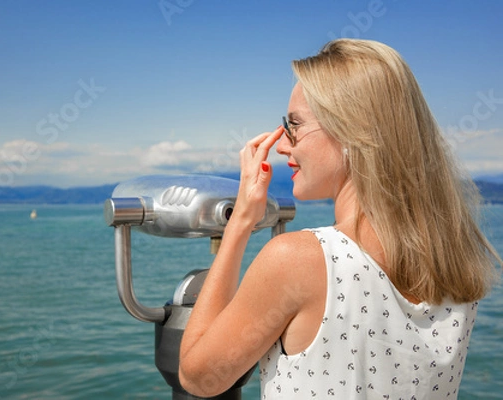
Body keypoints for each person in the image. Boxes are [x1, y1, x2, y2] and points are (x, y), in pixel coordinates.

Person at [178, 38, 501, 399]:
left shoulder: (298, 261)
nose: (283, 144)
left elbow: (199, 377)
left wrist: (239, 222)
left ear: (351, 131)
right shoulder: (456, 259)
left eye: (294, 125)